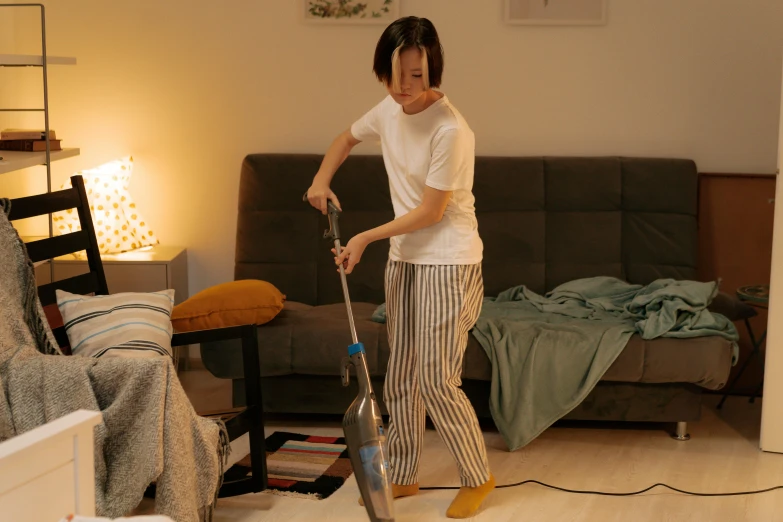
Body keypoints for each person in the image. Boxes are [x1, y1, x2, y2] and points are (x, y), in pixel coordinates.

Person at [306, 16, 495, 519]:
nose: (406, 88)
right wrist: (321, 180)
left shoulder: (451, 129)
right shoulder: (390, 108)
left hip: (449, 261)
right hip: (406, 259)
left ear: (432, 70)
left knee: (435, 377)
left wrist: (365, 236)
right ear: (383, 72)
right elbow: (345, 139)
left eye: (418, 76)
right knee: (402, 376)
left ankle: (478, 475)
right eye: (397, 76)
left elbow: (432, 212)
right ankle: (406, 471)